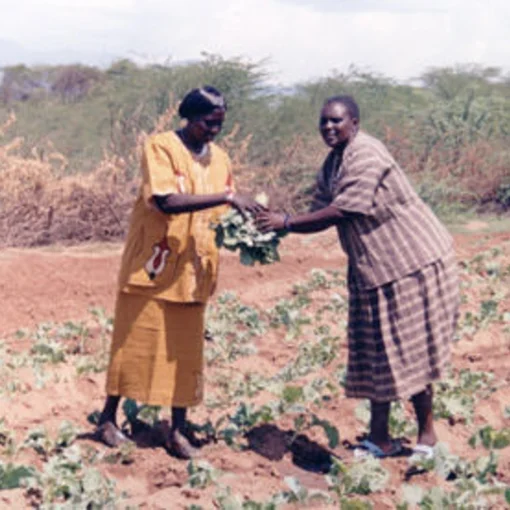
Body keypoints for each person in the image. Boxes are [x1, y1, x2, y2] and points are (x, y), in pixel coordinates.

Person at [255, 95, 459, 458]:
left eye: (336, 121)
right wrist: (270, 225)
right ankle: (378, 439)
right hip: (373, 269)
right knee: (374, 352)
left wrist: (284, 222)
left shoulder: (366, 154)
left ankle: (427, 437)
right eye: (323, 122)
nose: (329, 127)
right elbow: (319, 208)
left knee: (410, 350)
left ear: (355, 123)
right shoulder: (333, 163)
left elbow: (342, 210)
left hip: (411, 262)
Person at [97, 86, 263, 459]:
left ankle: (177, 430)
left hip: (194, 270)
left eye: (219, 124)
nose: (214, 131)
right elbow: (165, 200)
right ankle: (108, 419)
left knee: (183, 353)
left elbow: (225, 208)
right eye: (208, 123)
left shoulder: (220, 158)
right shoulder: (160, 147)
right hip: (154, 267)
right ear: (188, 117)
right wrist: (225, 198)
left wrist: (254, 225)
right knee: (133, 344)